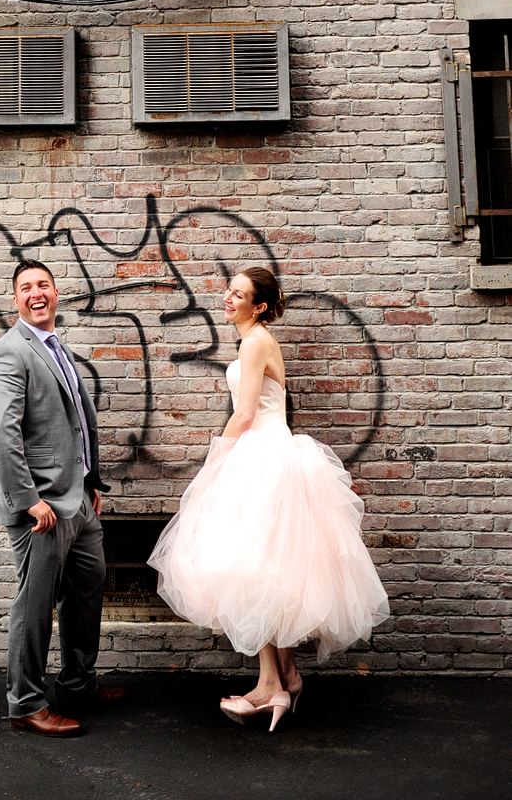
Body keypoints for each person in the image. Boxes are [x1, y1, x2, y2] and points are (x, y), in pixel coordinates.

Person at [148, 267, 389, 732]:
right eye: (228, 290)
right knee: (273, 565)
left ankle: (268, 687)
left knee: (250, 565)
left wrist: (215, 459)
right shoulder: (255, 339)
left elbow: (244, 412)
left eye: (238, 294)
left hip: (260, 453)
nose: (227, 298)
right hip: (270, 452)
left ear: (258, 306)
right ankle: (287, 678)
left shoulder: (255, 341)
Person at [0, 259, 126, 737]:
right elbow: (5, 435)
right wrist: (29, 500)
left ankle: (78, 682)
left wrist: (90, 482)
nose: (36, 293)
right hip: (41, 507)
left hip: (78, 499)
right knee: (36, 603)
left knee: (88, 590)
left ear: (56, 292)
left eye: (43, 284)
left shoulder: (55, 346)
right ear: (15, 300)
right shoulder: (9, 352)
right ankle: (26, 702)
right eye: (26, 288)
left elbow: (75, 425)